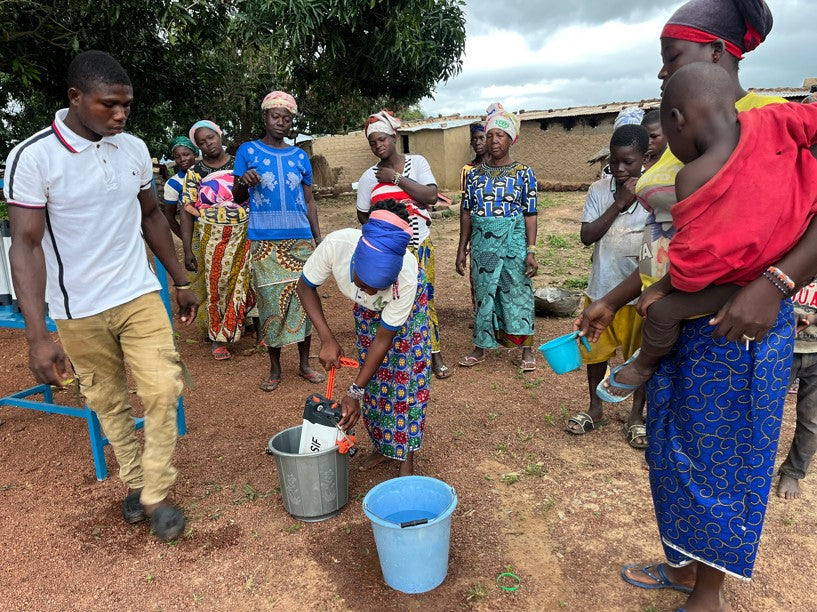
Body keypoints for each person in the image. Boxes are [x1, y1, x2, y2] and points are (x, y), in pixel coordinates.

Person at [573, 1, 817, 609]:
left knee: (723, 459)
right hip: (680, 312)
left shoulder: (772, 121)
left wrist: (777, 285)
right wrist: (613, 298)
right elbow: (669, 243)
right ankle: (684, 565)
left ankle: (708, 591)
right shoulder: (687, 129)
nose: (661, 75)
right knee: (675, 447)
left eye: (670, 58)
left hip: (739, 323)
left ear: (716, 52)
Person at [3, 50, 196, 541]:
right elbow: (24, 245)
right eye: (109, 104)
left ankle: (155, 492)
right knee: (108, 402)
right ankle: (136, 482)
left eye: (126, 105)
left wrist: (179, 279)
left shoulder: (131, 148)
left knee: (161, 389)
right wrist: (37, 336)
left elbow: (152, 215)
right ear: (75, 98)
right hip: (78, 309)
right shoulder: (34, 157)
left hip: (137, 293)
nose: (120, 114)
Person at [597, 62, 817, 402]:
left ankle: (645, 363)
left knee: (661, 312)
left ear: (677, 120)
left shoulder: (695, 176)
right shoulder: (773, 119)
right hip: (787, 257)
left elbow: (697, 259)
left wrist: (661, 288)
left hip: (742, 276)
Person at [296, 200, 430, 477]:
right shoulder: (336, 246)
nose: (368, 292)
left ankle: (406, 456)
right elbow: (305, 286)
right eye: (362, 284)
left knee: (405, 377)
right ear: (356, 260)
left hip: (405, 312)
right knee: (376, 381)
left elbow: (384, 339)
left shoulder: (405, 276)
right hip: (369, 317)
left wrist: (354, 391)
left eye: (376, 288)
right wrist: (326, 338)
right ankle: (383, 446)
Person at [232, 91, 325, 391]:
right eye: (276, 117)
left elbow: (309, 202)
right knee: (270, 303)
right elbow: (236, 197)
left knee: (304, 300)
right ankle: (274, 368)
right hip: (264, 241)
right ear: (265, 117)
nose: (281, 123)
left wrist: (317, 237)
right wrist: (243, 183)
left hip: (300, 240)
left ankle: (305, 363)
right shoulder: (247, 151)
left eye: (287, 118)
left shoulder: (300, 156)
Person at [566, 124, 649, 449]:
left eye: (628, 161)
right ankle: (595, 408)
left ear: (645, 157)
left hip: (639, 297)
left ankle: (636, 416)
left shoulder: (653, 192)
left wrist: (633, 196)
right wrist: (618, 203)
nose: (619, 168)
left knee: (639, 359)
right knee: (595, 354)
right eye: (614, 161)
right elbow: (587, 236)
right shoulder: (600, 191)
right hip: (600, 290)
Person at [356, 110, 451, 380]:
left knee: (424, 299)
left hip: (419, 246)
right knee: (390, 300)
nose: (378, 145)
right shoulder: (367, 178)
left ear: (394, 136)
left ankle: (434, 355)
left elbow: (431, 196)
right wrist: (384, 225)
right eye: (373, 142)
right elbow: (363, 214)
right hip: (388, 254)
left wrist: (395, 180)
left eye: (382, 139)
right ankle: (399, 357)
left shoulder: (416, 163)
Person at [456, 103, 538, 371]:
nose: (493, 141)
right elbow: (466, 212)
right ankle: (480, 346)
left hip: (514, 243)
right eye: (489, 135)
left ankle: (526, 350)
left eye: (500, 135)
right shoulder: (474, 175)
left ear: (511, 139)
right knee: (483, 293)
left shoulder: (524, 173)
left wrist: (531, 250)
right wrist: (462, 249)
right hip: (482, 244)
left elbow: (530, 213)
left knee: (518, 292)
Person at [180, 120, 254, 360]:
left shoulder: (239, 163)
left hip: (246, 230)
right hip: (213, 235)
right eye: (201, 142)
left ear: (219, 135)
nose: (207, 144)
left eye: (210, 138)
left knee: (247, 279)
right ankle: (218, 337)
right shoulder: (195, 172)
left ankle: (256, 330)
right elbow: (187, 206)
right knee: (217, 283)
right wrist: (188, 248)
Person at [777, 280, 817, 499]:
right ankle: (754, 468)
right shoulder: (789, 252)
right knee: (767, 413)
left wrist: (812, 318)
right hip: (782, 349)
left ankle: (793, 472)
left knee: (812, 421)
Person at [162, 136, 199, 238]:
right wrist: (185, 239)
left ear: (195, 154)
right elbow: (169, 217)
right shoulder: (173, 183)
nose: (182, 159)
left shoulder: (208, 175)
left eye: (186, 154)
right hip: (194, 232)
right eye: (177, 157)